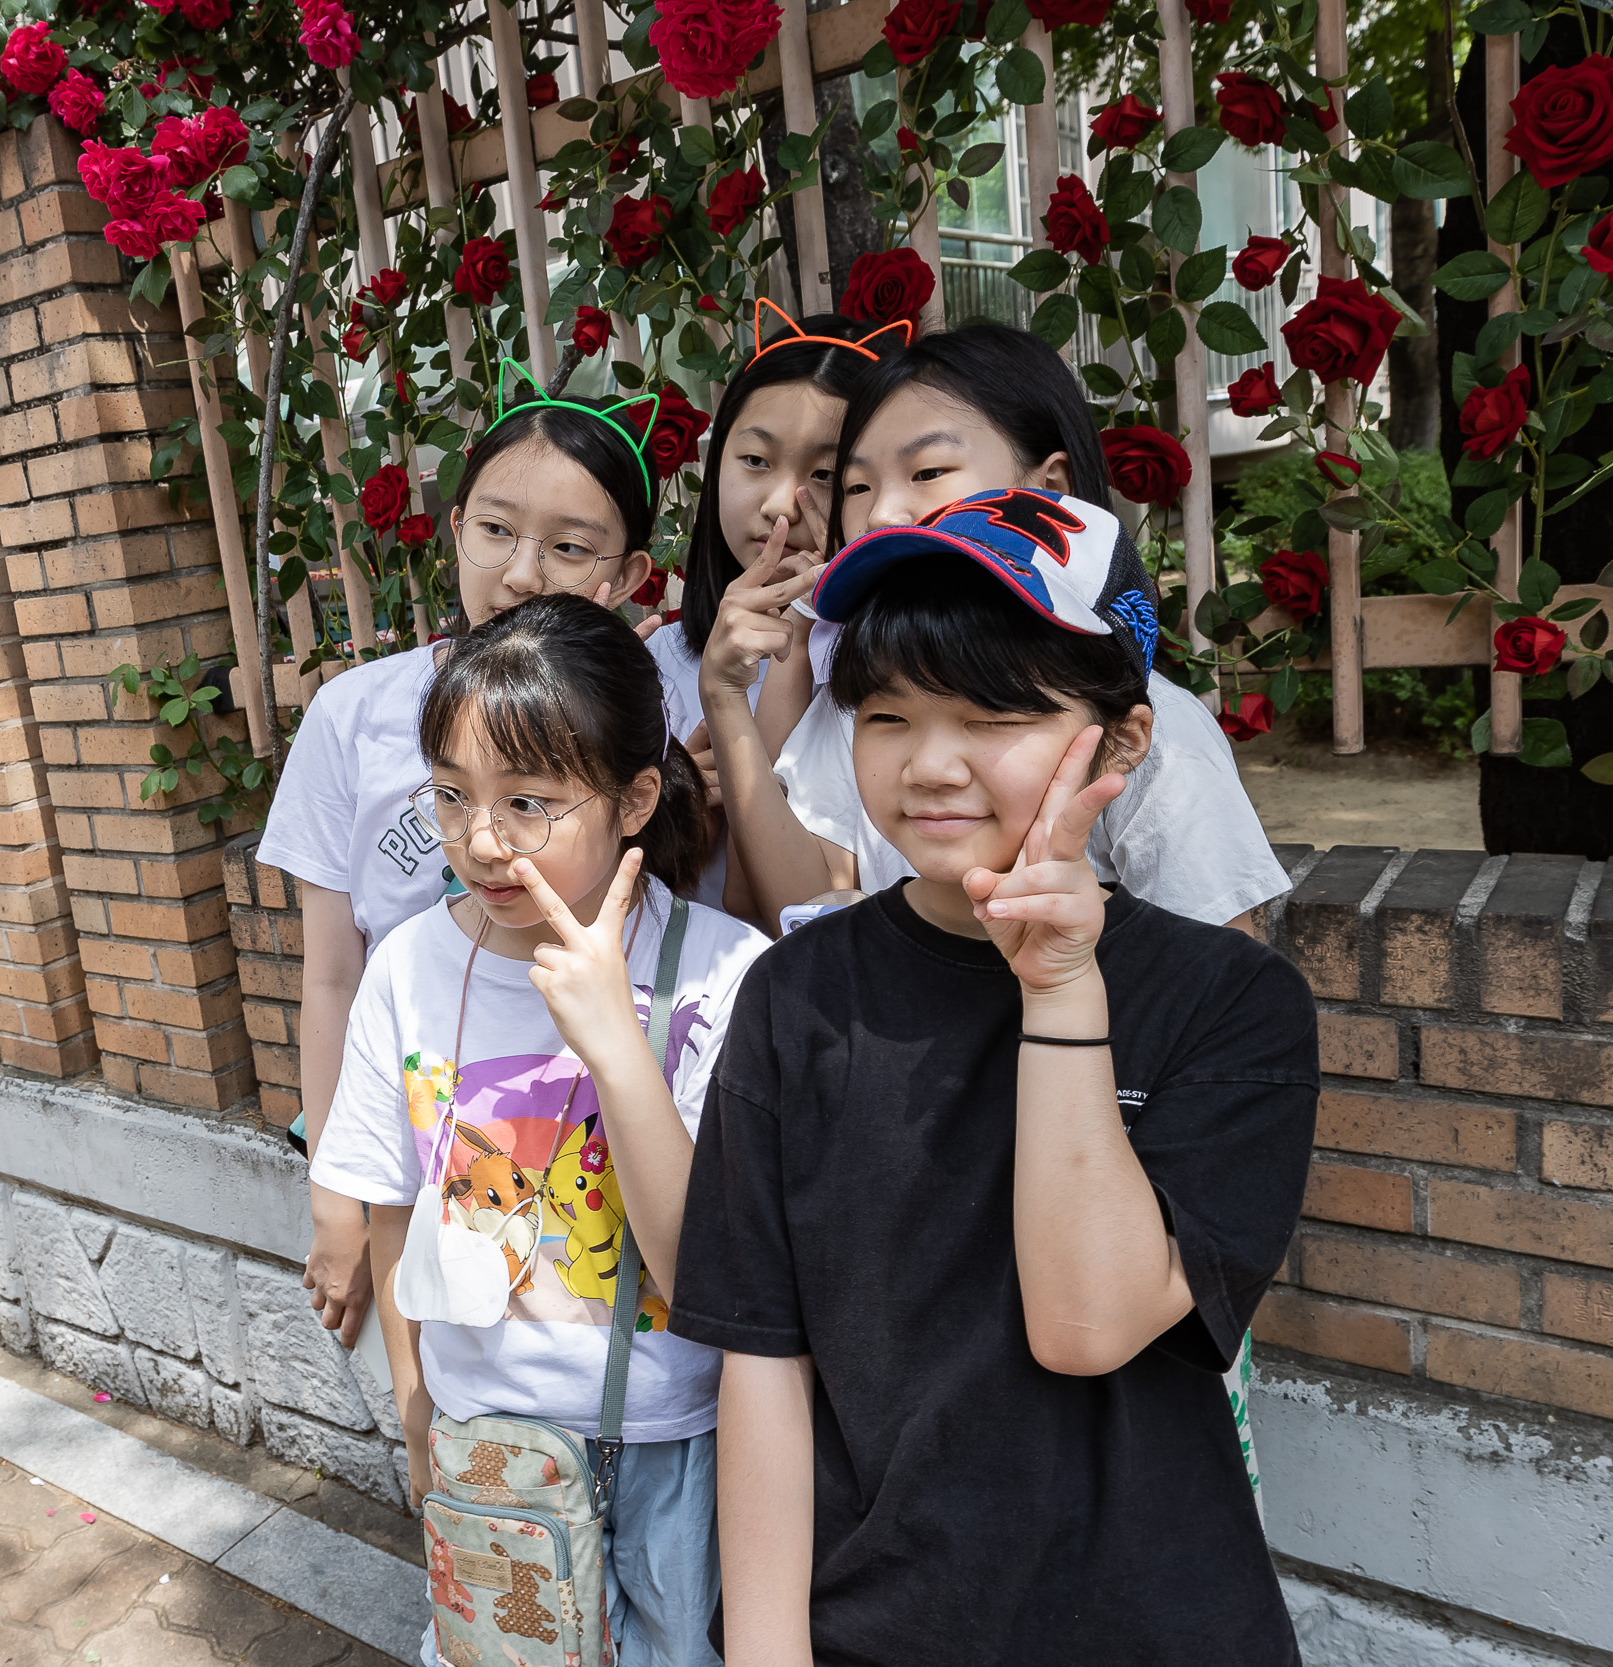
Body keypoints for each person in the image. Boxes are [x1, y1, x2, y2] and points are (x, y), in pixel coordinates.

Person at [668, 496, 1319, 1665]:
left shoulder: (1227, 1003)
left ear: (1120, 741)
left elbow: (1088, 1322)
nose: (927, 763)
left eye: (989, 713)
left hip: (1151, 1622)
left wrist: (1064, 991)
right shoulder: (799, 996)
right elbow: (762, 1356)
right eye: (886, 714)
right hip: (871, 1620)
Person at [312, 593, 767, 1665]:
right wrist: (420, 1412)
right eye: (451, 794)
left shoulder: (722, 974)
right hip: (487, 1446)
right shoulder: (407, 968)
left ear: (635, 796)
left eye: (529, 801)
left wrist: (615, 1040)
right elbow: (392, 1205)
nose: (479, 839)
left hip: (677, 1444)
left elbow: (701, 1265)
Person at [258, 369, 667, 1352]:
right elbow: (331, 972)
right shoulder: (350, 715)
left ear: (627, 574)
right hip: (414, 1169)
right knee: (448, 1446)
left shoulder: (655, 726)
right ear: (454, 533)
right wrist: (337, 1193)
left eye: (568, 547)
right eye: (495, 529)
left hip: (607, 1165)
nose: (522, 572)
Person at [710, 323, 1294, 934]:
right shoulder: (863, 698)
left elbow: (1222, 973)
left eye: (928, 471)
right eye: (856, 485)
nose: (880, 513)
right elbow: (800, 907)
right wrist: (734, 692)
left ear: (1051, 487)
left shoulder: (1142, 726)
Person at [645, 306, 905, 912]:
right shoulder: (657, 669)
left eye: (825, 472)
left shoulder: (904, 672)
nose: (781, 506)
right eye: (755, 461)